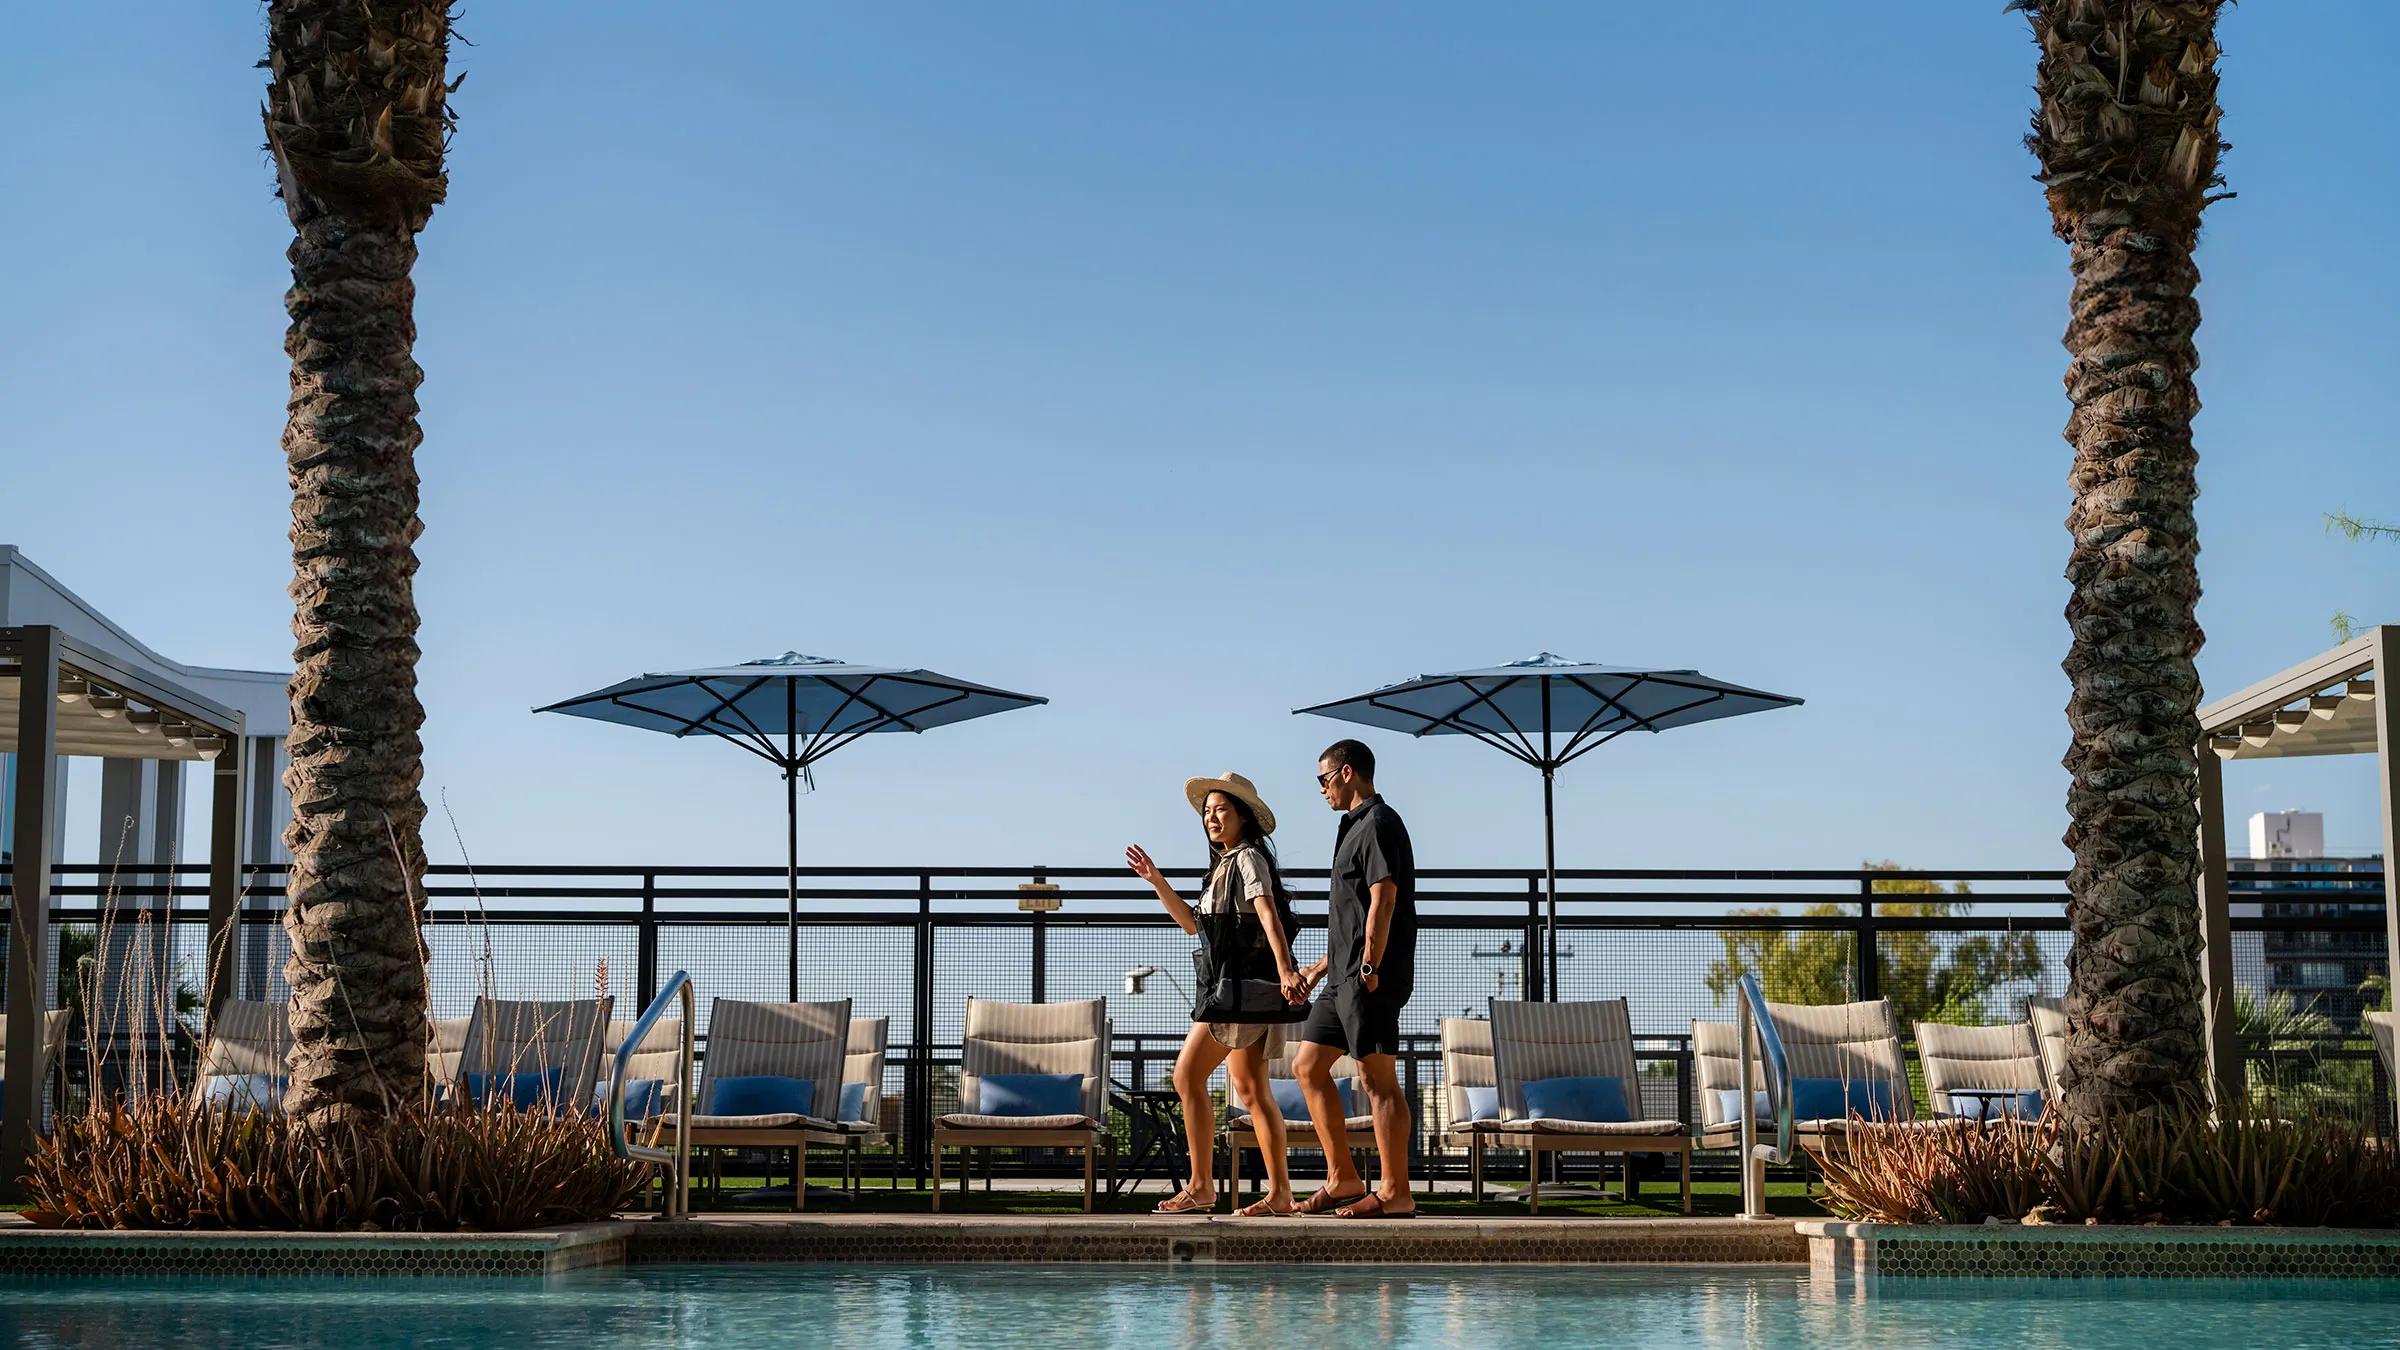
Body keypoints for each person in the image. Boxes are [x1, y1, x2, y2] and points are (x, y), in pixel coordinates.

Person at [1125, 771, 1309, 1216]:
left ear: (1244, 816)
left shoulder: (1246, 859)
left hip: (1236, 994)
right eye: (1207, 811)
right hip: (1235, 992)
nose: (1211, 817)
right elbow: (1192, 925)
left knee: (1187, 1077)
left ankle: (1202, 1185)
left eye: (1221, 809)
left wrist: (1287, 970)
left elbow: (1268, 913)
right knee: (1251, 1089)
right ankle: (1280, 1194)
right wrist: (1156, 880)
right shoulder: (1221, 870)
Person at [1289, 739, 1418, 1218]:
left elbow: (1384, 899)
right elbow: (1351, 917)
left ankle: (1394, 1192)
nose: (1320, 790)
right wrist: (1318, 968)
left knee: (1376, 1079)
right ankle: (1343, 1177)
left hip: (1369, 977)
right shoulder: (1351, 829)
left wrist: (1370, 965)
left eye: (1322, 780)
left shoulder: (1381, 824)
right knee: (1307, 1066)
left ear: (1346, 773)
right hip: (1340, 978)